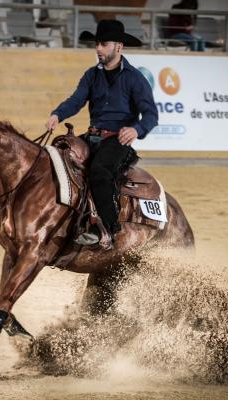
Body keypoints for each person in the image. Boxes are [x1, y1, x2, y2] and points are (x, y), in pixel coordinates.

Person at [46, 20, 158, 249]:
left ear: (119, 47)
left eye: (103, 44)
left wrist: (135, 129)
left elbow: (151, 115)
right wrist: (58, 114)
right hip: (92, 137)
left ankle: (107, 227)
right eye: (96, 44)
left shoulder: (134, 78)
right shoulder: (91, 75)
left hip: (117, 140)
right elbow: (76, 101)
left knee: (99, 172)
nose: (98, 48)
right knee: (55, 158)